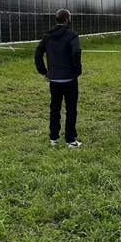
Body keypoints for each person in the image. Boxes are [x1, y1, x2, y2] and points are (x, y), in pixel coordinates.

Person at [34, 9, 83, 148]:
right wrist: (77, 69)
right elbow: (76, 52)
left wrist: (43, 71)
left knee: (55, 108)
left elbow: (38, 53)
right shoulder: (72, 35)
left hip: (54, 79)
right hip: (69, 79)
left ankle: (54, 138)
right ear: (67, 19)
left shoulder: (48, 35)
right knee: (71, 109)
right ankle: (71, 140)